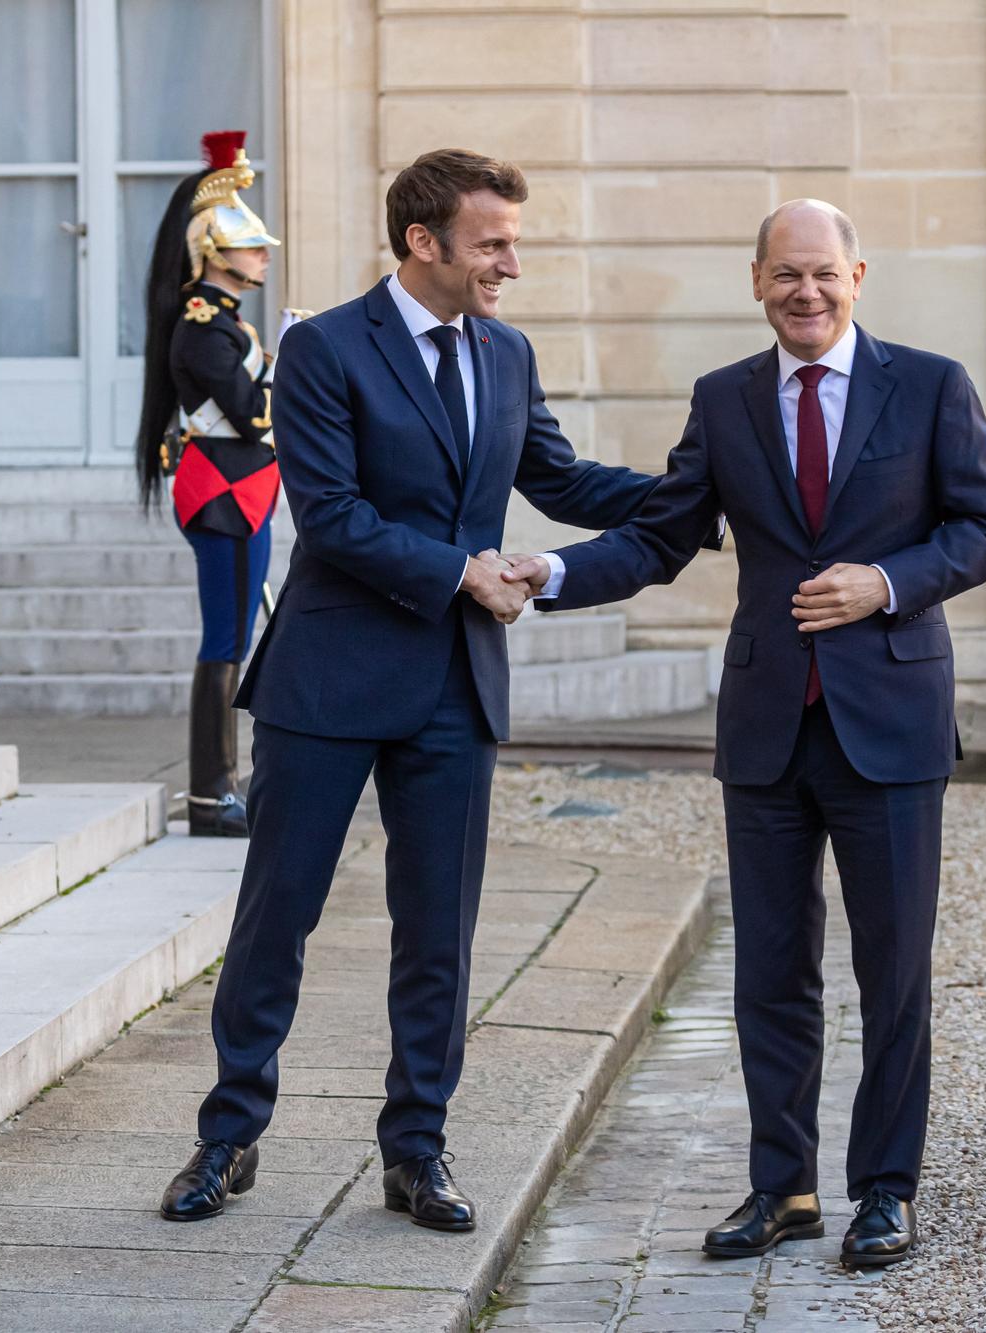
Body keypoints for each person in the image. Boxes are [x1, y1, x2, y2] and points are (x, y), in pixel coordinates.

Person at [160, 149, 666, 1231]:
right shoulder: (322, 347)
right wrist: (457, 571)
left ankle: (416, 1150)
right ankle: (226, 1133)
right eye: (492, 243)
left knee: (436, 931)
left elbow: (562, 479)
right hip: (329, 675)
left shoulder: (508, 352)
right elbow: (331, 513)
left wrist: (700, 485)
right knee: (275, 918)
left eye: (511, 242)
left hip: (452, 685)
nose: (510, 264)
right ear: (423, 242)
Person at [506, 200, 986, 1267]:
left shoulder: (928, 386)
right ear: (755, 281)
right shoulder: (724, 399)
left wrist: (886, 580)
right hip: (764, 731)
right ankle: (779, 1187)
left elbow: (982, 529)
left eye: (823, 273)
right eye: (785, 275)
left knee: (893, 971)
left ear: (857, 275)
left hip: (890, 721)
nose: (806, 292)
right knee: (770, 971)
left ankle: (883, 1189)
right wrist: (545, 574)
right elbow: (660, 538)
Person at [133, 130, 282, 838]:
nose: (261, 256)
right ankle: (209, 791)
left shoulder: (224, 323)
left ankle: (220, 785)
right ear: (214, 252)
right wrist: (289, 370)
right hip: (223, 490)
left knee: (234, 639)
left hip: (241, 490)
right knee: (224, 640)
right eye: (250, 247)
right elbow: (254, 416)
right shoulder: (203, 327)